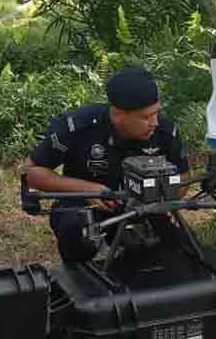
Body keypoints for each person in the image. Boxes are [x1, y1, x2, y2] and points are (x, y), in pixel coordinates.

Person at [25, 66, 190, 264]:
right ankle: (80, 278)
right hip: (86, 204)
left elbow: (184, 178)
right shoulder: (79, 126)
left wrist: (161, 195)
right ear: (119, 114)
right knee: (75, 229)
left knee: (184, 249)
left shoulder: (165, 131)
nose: (154, 123)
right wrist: (89, 190)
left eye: (156, 113)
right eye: (146, 117)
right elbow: (31, 172)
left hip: (147, 205)